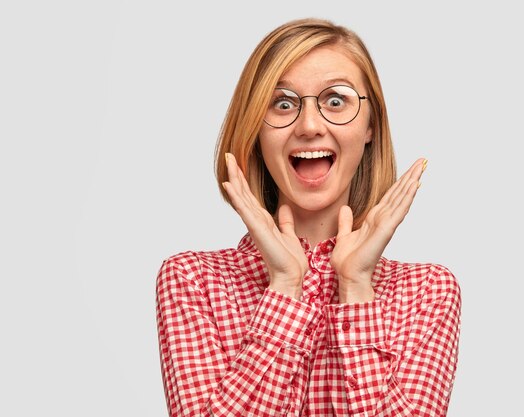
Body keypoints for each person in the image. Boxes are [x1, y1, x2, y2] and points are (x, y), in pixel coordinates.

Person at [156, 18, 461, 417]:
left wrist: (355, 287)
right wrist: (284, 287)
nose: (310, 126)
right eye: (283, 103)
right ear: (254, 129)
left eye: (337, 100)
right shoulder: (192, 281)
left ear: (370, 126)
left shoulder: (428, 293)